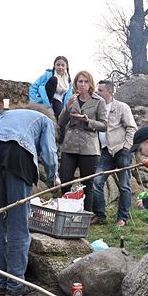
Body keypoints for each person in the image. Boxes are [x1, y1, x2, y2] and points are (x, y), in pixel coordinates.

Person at [0, 108, 61, 296]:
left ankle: (2, 281)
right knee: (17, 223)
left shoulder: (6, 115)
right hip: (18, 157)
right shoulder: (45, 120)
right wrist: (53, 178)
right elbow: (49, 153)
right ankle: (15, 283)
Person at [57, 70, 107, 214]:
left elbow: (104, 125)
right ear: (76, 83)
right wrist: (67, 107)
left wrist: (88, 121)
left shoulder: (99, 101)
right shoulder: (71, 99)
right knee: (65, 180)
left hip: (89, 147)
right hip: (70, 145)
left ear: (90, 84)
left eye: (86, 81)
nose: (83, 84)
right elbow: (61, 122)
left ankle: (86, 215)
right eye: (80, 81)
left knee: (88, 184)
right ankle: (66, 213)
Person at [91, 79, 137, 226]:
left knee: (124, 185)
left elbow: (131, 128)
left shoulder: (122, 107)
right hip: (105, 152)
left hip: (121, 150)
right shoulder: (97, 107)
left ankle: (122, 218)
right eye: (97, 90)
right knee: (97, 181)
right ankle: (100, 215)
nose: (97, 92)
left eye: (100, 90)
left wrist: (127, 149)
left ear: (110, 92)